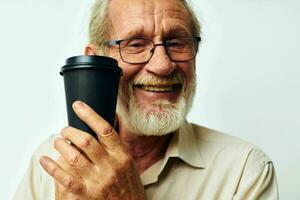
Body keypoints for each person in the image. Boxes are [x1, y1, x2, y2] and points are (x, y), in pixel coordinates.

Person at [14, 0, 278, 199]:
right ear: (97, 61)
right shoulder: (53, 159)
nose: (163, 66)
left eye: (177, 42)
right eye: (136, 44)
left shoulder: (245, 170)